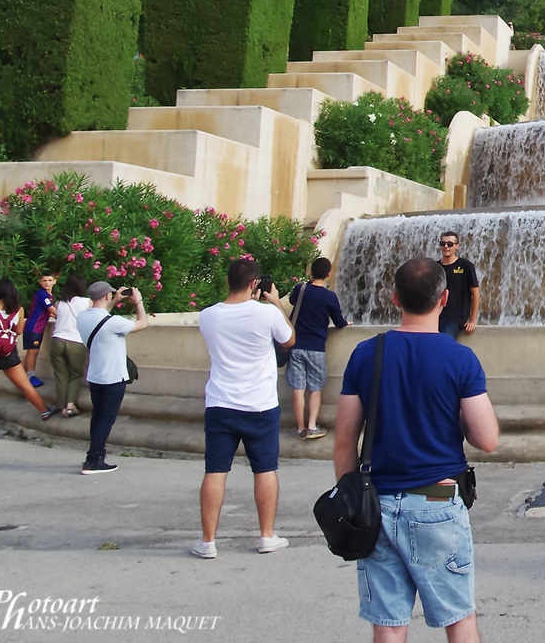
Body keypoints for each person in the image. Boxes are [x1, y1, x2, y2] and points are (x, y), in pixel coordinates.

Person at [335, 257, 500, 641]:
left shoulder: (365, 354)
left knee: (389, 627)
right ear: (444, 299)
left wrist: (351, 501)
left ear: (395, 298)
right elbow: (487, 439)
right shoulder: (459, 358)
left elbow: (344, 440)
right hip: (437, 498)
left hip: (377, 503)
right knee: (459, 620)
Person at [192, 259, 294, 558]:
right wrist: (276, 303)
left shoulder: (207, 316)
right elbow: (290, 340)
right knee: (265, 470)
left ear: (228, 281)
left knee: (215, 471)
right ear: (254, 284)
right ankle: (266, 536)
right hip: (260, 405)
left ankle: (208, 541)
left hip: (220, 403)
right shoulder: (265, 313)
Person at [0, 279, 58, 436]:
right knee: (24, 385)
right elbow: (19, 331)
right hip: (8, 353)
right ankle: (44, 411)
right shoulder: (19, 310)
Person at [75, 281, 148, 471]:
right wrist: (138, 302)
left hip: (95, 376)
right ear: (107, 296)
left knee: (97, 417)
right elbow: (143, 323)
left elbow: (101, 315)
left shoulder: (82, 317)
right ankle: (93, 460)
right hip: (113, 377)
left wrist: (114, 301)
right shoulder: (114, 323)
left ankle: (96, 454)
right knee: (106, 419)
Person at [284, 257, 350, 440]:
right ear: (328, 274)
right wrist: (346, 323)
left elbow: (291, 300)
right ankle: (312, 426)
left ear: (310, 272)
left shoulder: (300, 289)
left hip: (296, 346)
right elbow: (338, 322)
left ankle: (299, 428)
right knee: (315, 389)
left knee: (298, 388)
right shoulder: (330, 297)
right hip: (317, 349)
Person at [49, 274, 93, 416]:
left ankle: (61, 406)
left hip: (57, 340)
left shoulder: (59, 303)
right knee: (75, 374)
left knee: (61, 375)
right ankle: (70, 406)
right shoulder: (87, 302)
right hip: (76, 341)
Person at [436, 233, 480, 338]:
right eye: (443, 243)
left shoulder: (466, 266)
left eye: (450, 244)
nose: (446, 246)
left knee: (445, 345)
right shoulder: (435, 267)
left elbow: (476, 294)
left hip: (455, 319)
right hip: (435, 317)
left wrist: (472, 321)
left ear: (457, 246)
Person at [22, 271, 57, 387]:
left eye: (50, 280)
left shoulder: (48, 295)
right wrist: (67, 316)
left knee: (31, 352)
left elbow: (47, 313)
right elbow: (52, 310)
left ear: (54, 281)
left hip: (37, 328)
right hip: (33, 328)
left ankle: (19, 374)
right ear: (40, 282)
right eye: (44, 281)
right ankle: (30, 376)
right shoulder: (42, 294)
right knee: (33, 352)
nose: (47, 283)